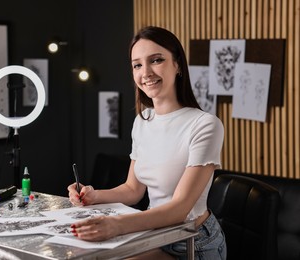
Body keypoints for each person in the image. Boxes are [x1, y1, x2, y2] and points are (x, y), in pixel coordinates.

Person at [67, 26, 227, 260]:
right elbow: (133, 190)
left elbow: (180, 209)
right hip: (155, 233)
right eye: (137, 65)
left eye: (156, 60)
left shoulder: (205, 125)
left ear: (178, 65)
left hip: (193, 241)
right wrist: (93, 195)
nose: (146, 72)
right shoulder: (143, 121)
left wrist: (115, 225)